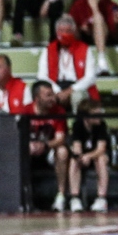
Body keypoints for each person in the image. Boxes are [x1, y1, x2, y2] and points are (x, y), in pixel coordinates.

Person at [37, 15, 99, 111]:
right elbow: (42, 76)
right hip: (55, 87)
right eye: (61, 31)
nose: (65, 34)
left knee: (78, 97)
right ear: (56, 32)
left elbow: (90, 77)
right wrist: (57, 91)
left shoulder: (85, 49)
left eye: (68, 31)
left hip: (77, 87)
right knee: (43, 96)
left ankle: (77, 125)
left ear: (74, 32)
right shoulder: (48, 50)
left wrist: (70, 91)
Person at [27, 81, 72, 209]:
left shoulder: (59, 111)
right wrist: (29, 146)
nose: (53, 98)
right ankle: (24, 195)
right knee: (19, 152)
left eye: (53, 95)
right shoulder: (26, 111)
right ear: (37, 98)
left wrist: (45, 146)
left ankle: (61, 195)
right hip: (31, 151)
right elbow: (19, 137)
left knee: (63, 151)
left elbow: (60, 139)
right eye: (48, 95)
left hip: (49, 151)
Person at [67, 105, 113, 212]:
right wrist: (81, 157)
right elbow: (77, 147)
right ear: (86, 117)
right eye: (96, 114)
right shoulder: (77, 125)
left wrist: (89, 156)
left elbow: (101, 148)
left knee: (101, 159)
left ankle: (101, 198)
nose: (99, 117)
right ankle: (75, 198)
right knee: (74, 161)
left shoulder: (101, 125)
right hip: (84, 157)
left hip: (97, 155)